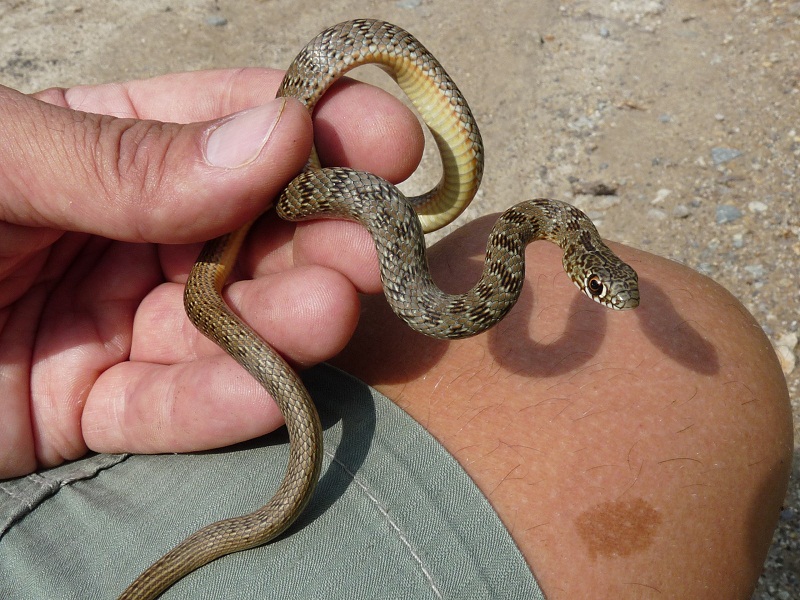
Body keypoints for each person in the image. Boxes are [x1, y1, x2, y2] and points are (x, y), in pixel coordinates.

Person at [0, 69, 791, 599]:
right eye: (597, 288)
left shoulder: (546, 235)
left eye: (599, 289)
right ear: (584, 265)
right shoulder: (525, 246)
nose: (603, 298)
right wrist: (140, 173)